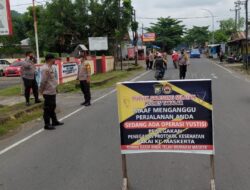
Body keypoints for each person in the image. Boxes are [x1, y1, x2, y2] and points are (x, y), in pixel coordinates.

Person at [40, 54, 63, 130]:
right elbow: (43, 81)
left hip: (52, 90)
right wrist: (41, 91)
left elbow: (52, 79)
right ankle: (47, 124)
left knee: (52, 106)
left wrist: (56, 88)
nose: (55, 60)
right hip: (47, 92)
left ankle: (54, 121)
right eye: (54, 59)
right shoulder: (45, 68)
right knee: (47, 108)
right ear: (50, 59)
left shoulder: (50, 67)